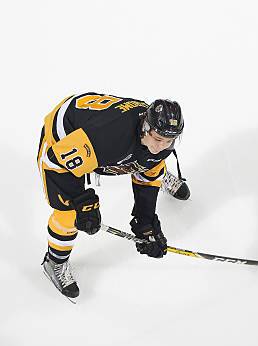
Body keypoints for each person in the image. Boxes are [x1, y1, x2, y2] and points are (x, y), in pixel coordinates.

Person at [37, 93, 189, 300]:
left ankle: (152, 169)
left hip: (99, 133)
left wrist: (145, 222)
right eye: (158, 139)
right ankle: (54, 261)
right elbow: (54, 162)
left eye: (169, 141)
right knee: (69, 213)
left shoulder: (158, 136)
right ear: (145, 127)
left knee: (150, 163)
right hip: (64, 142)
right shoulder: (107, 138)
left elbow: (151, 165)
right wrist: (82, 203)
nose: (162, 146)